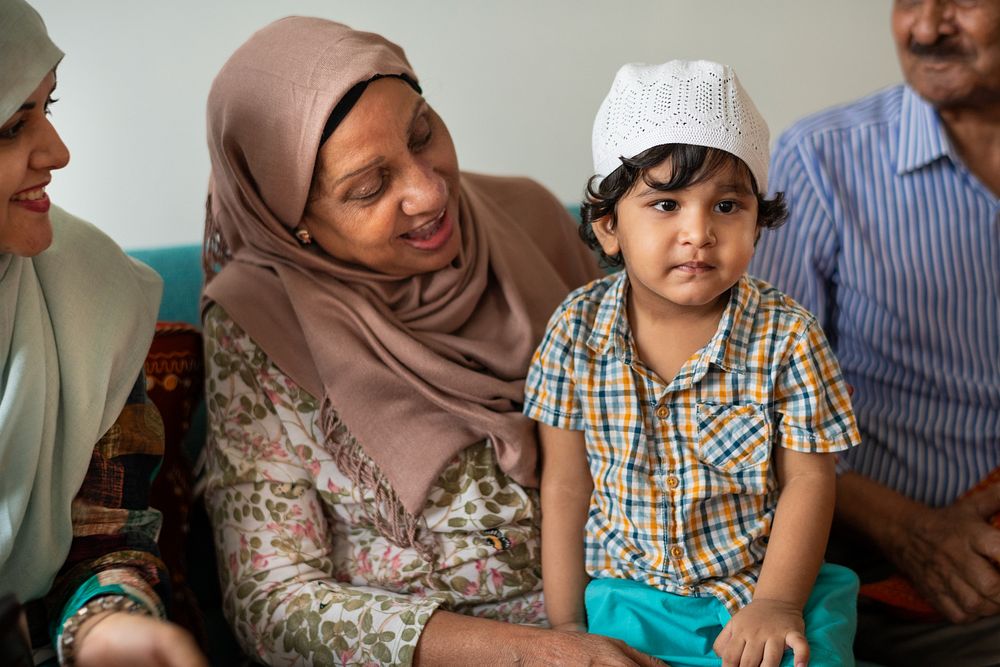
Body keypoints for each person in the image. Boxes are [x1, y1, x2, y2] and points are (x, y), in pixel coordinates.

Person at [198, 16, 673, 666]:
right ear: (292, 223)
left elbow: (678, 412)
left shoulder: (532, 218)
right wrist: (542, 654)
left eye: (423, 132)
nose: (429, 190)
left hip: (645, 610)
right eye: (369, 187)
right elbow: (272, 601)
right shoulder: (257, 321)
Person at [524, 60, 863, 667]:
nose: (698, 232)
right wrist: (568, 623)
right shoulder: (574, 332)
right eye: (665, 205)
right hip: (630, 599)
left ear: (758, 221)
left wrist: (778, 603)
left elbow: (809, 481)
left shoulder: (787, 336)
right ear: (608, 227)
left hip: (759, 590)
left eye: (727, 205)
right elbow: (566, 485)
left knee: (814, 648)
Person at [749, 1, 1000, 665]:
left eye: (962, 2)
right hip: (914, 583)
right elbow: (762, 408)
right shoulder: (822, 161)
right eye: (909, 1)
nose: (925, 29)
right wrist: (912, 531)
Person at [0, 1, 208, 666]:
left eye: (48, 107)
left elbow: (102, 540)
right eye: (11, 124)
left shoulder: (92, 299)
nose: (58, 153)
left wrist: (107, 627)